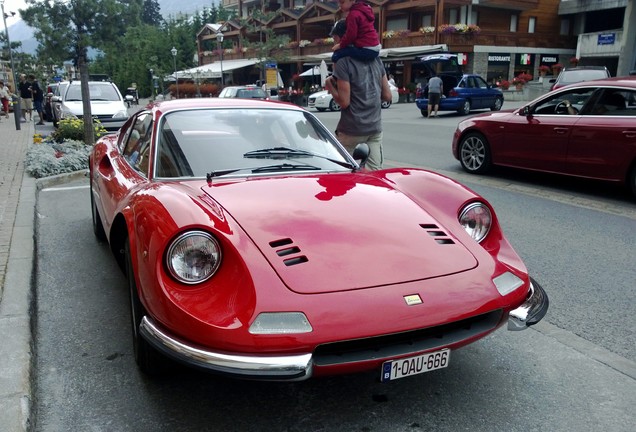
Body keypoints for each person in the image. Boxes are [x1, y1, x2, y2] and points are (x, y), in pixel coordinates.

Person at [324, 19, 392, 171]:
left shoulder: (342, 61)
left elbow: (344, 102)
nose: (333, 44)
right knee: (375, 174)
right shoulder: (376, 59)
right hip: (374, 127)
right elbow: (387, 96)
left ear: (344, 38)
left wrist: (329, 84)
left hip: (351, 128)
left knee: (341, 171)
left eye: (335, 39)